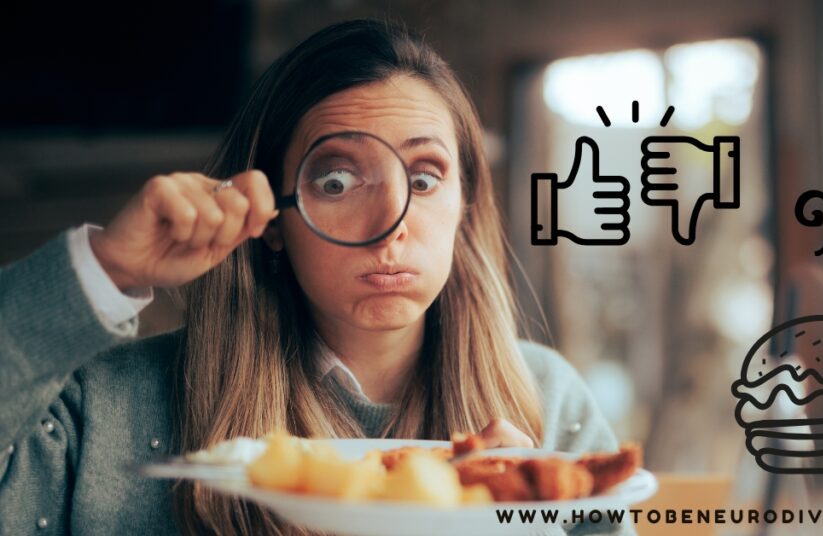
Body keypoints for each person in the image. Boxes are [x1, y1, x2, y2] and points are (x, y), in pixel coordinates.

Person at [0, 19, 633, 535]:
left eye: (424, 178)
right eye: (334, 180)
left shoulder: (549, 401)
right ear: (275, 216)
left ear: (466, 206)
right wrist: (105, 268)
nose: (391, 226)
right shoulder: (102, 407)